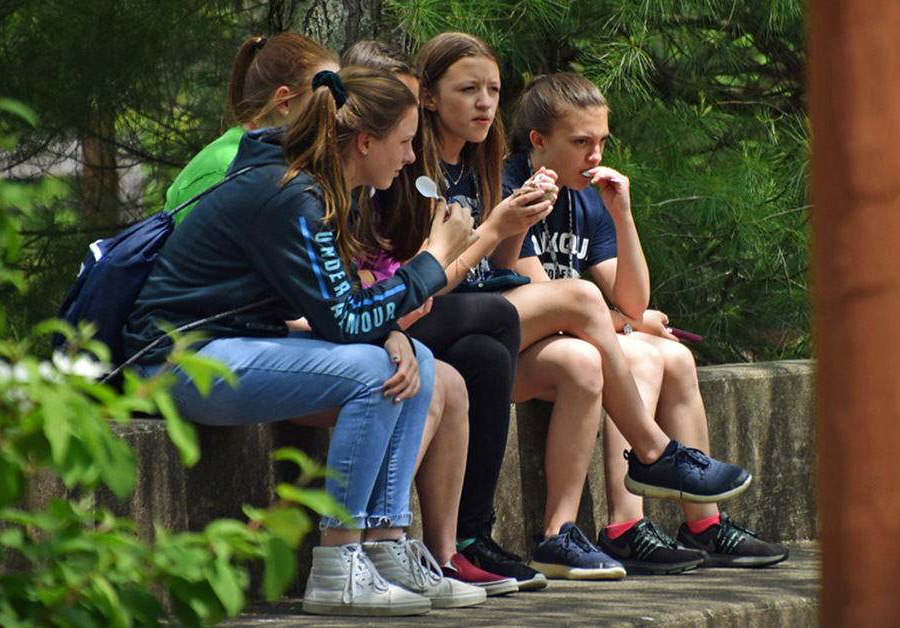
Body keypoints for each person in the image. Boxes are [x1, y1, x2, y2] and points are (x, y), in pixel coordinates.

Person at [124, 68, 485, 616]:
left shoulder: (324, 189)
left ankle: (385, 548)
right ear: (365, 142)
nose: (412, 157)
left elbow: (329, 306)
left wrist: (394, 334)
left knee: (422, 361)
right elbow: (340, 319)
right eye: (406, 142)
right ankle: (337, 567)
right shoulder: (292, 195)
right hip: (177, 362)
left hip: (232, 347)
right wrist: (434, 261)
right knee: (373, 371)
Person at [414, 32, 754, 582]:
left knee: (587, 361)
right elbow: (507, 282)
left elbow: (626, 298)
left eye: (493, 89)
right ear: (429, 98)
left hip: (491, 330)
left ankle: (559, 534)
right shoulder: (466, 169)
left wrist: (621, 214)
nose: (484, 102)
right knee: (583, 300)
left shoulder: (483, 165)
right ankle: (650, 453)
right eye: (468, 88)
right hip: (440, 318)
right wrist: (508, 224)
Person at [506, 72, 789, 574]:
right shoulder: (514, 186)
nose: (595, 156)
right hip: (523, 344)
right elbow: (538, 298)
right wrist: (625, 328)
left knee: (676, 356)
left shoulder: (585, 196)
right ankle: (625, 526)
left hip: (574, 337)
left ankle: (704, 523)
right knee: (637, 351)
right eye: (580, 143)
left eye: (600, 142)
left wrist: (622, 214)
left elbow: (634, 302)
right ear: (538, 140)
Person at [331, 38, 523, 596]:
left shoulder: (405, 170)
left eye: (493, 90)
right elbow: (363, 294)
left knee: (477, 361)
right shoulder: (339, 188)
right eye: (469, 89)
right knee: (503, 321)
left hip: (400, 317)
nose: (414, 155)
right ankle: (360, 548)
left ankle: (453, 548)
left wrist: (514, 225)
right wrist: (488, 232)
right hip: (382, 319)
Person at [164, 33, 339, 218]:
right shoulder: (224, 167)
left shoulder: (279, 159)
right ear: (284, 102)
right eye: (326, 96)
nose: (338, 111)